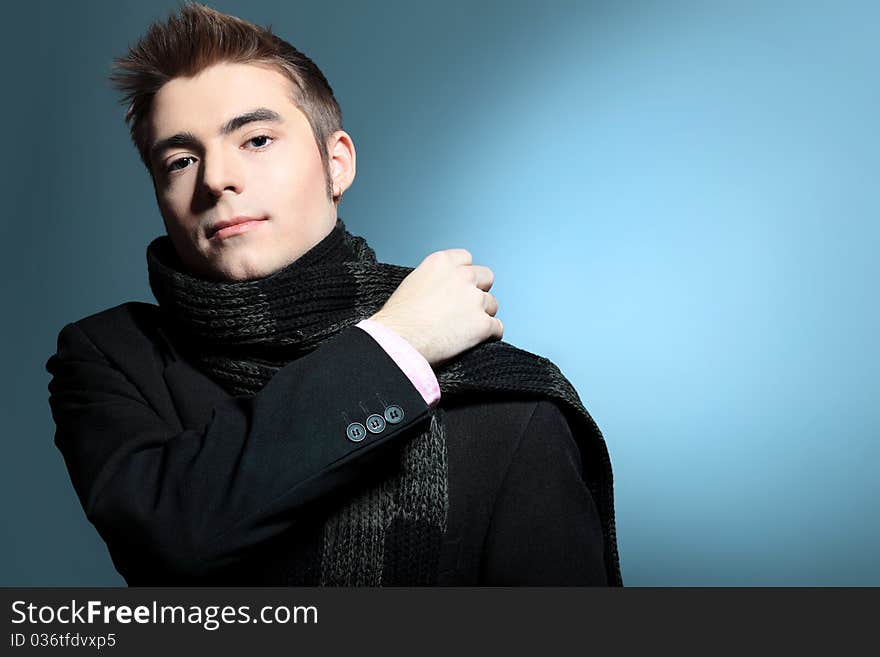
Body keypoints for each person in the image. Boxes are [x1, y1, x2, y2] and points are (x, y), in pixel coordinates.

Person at [45, 1, 622, 586]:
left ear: (336, 163)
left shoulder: (504, 400)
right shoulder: (112, 357)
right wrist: (395, 346)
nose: (216, 178)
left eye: (257, 140)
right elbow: (170, 536)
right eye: (181, 159)